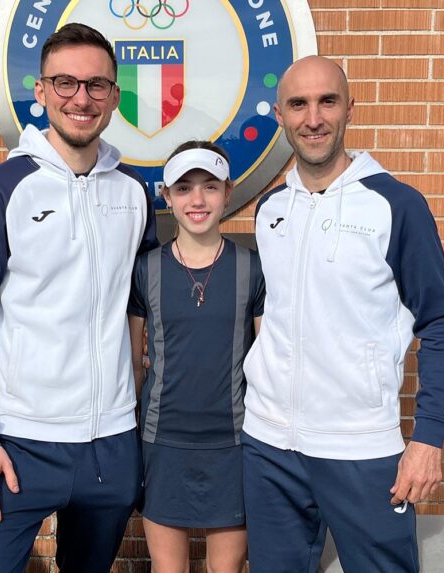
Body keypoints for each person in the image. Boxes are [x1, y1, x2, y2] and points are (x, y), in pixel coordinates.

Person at [0, 23, 157, 573]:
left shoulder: (133, 194)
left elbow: (143, 313)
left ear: (114, 96)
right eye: (65, 82)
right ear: (40, 92)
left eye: (96, 85)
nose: (80, 98)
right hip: (15, 444)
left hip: (111, 443)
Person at [241, 55, 444, 572]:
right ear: (280, 114)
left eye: (327, 101)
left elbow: (441, 322)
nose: (313, 118)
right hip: (270, 444)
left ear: (349, 109)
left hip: (361, 446)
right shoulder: (271, 210)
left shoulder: (396, 205)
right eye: (299, 104)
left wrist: (428, 436)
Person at [127, 141, 265, 573]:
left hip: (234, 444)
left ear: (228, 191)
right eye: (184, 188)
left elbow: (266, 370)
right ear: (166, 197)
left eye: (209, 186)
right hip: (163, 442)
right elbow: (133, 364)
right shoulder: (145, 269)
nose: (198, 200)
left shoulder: (253, 268)